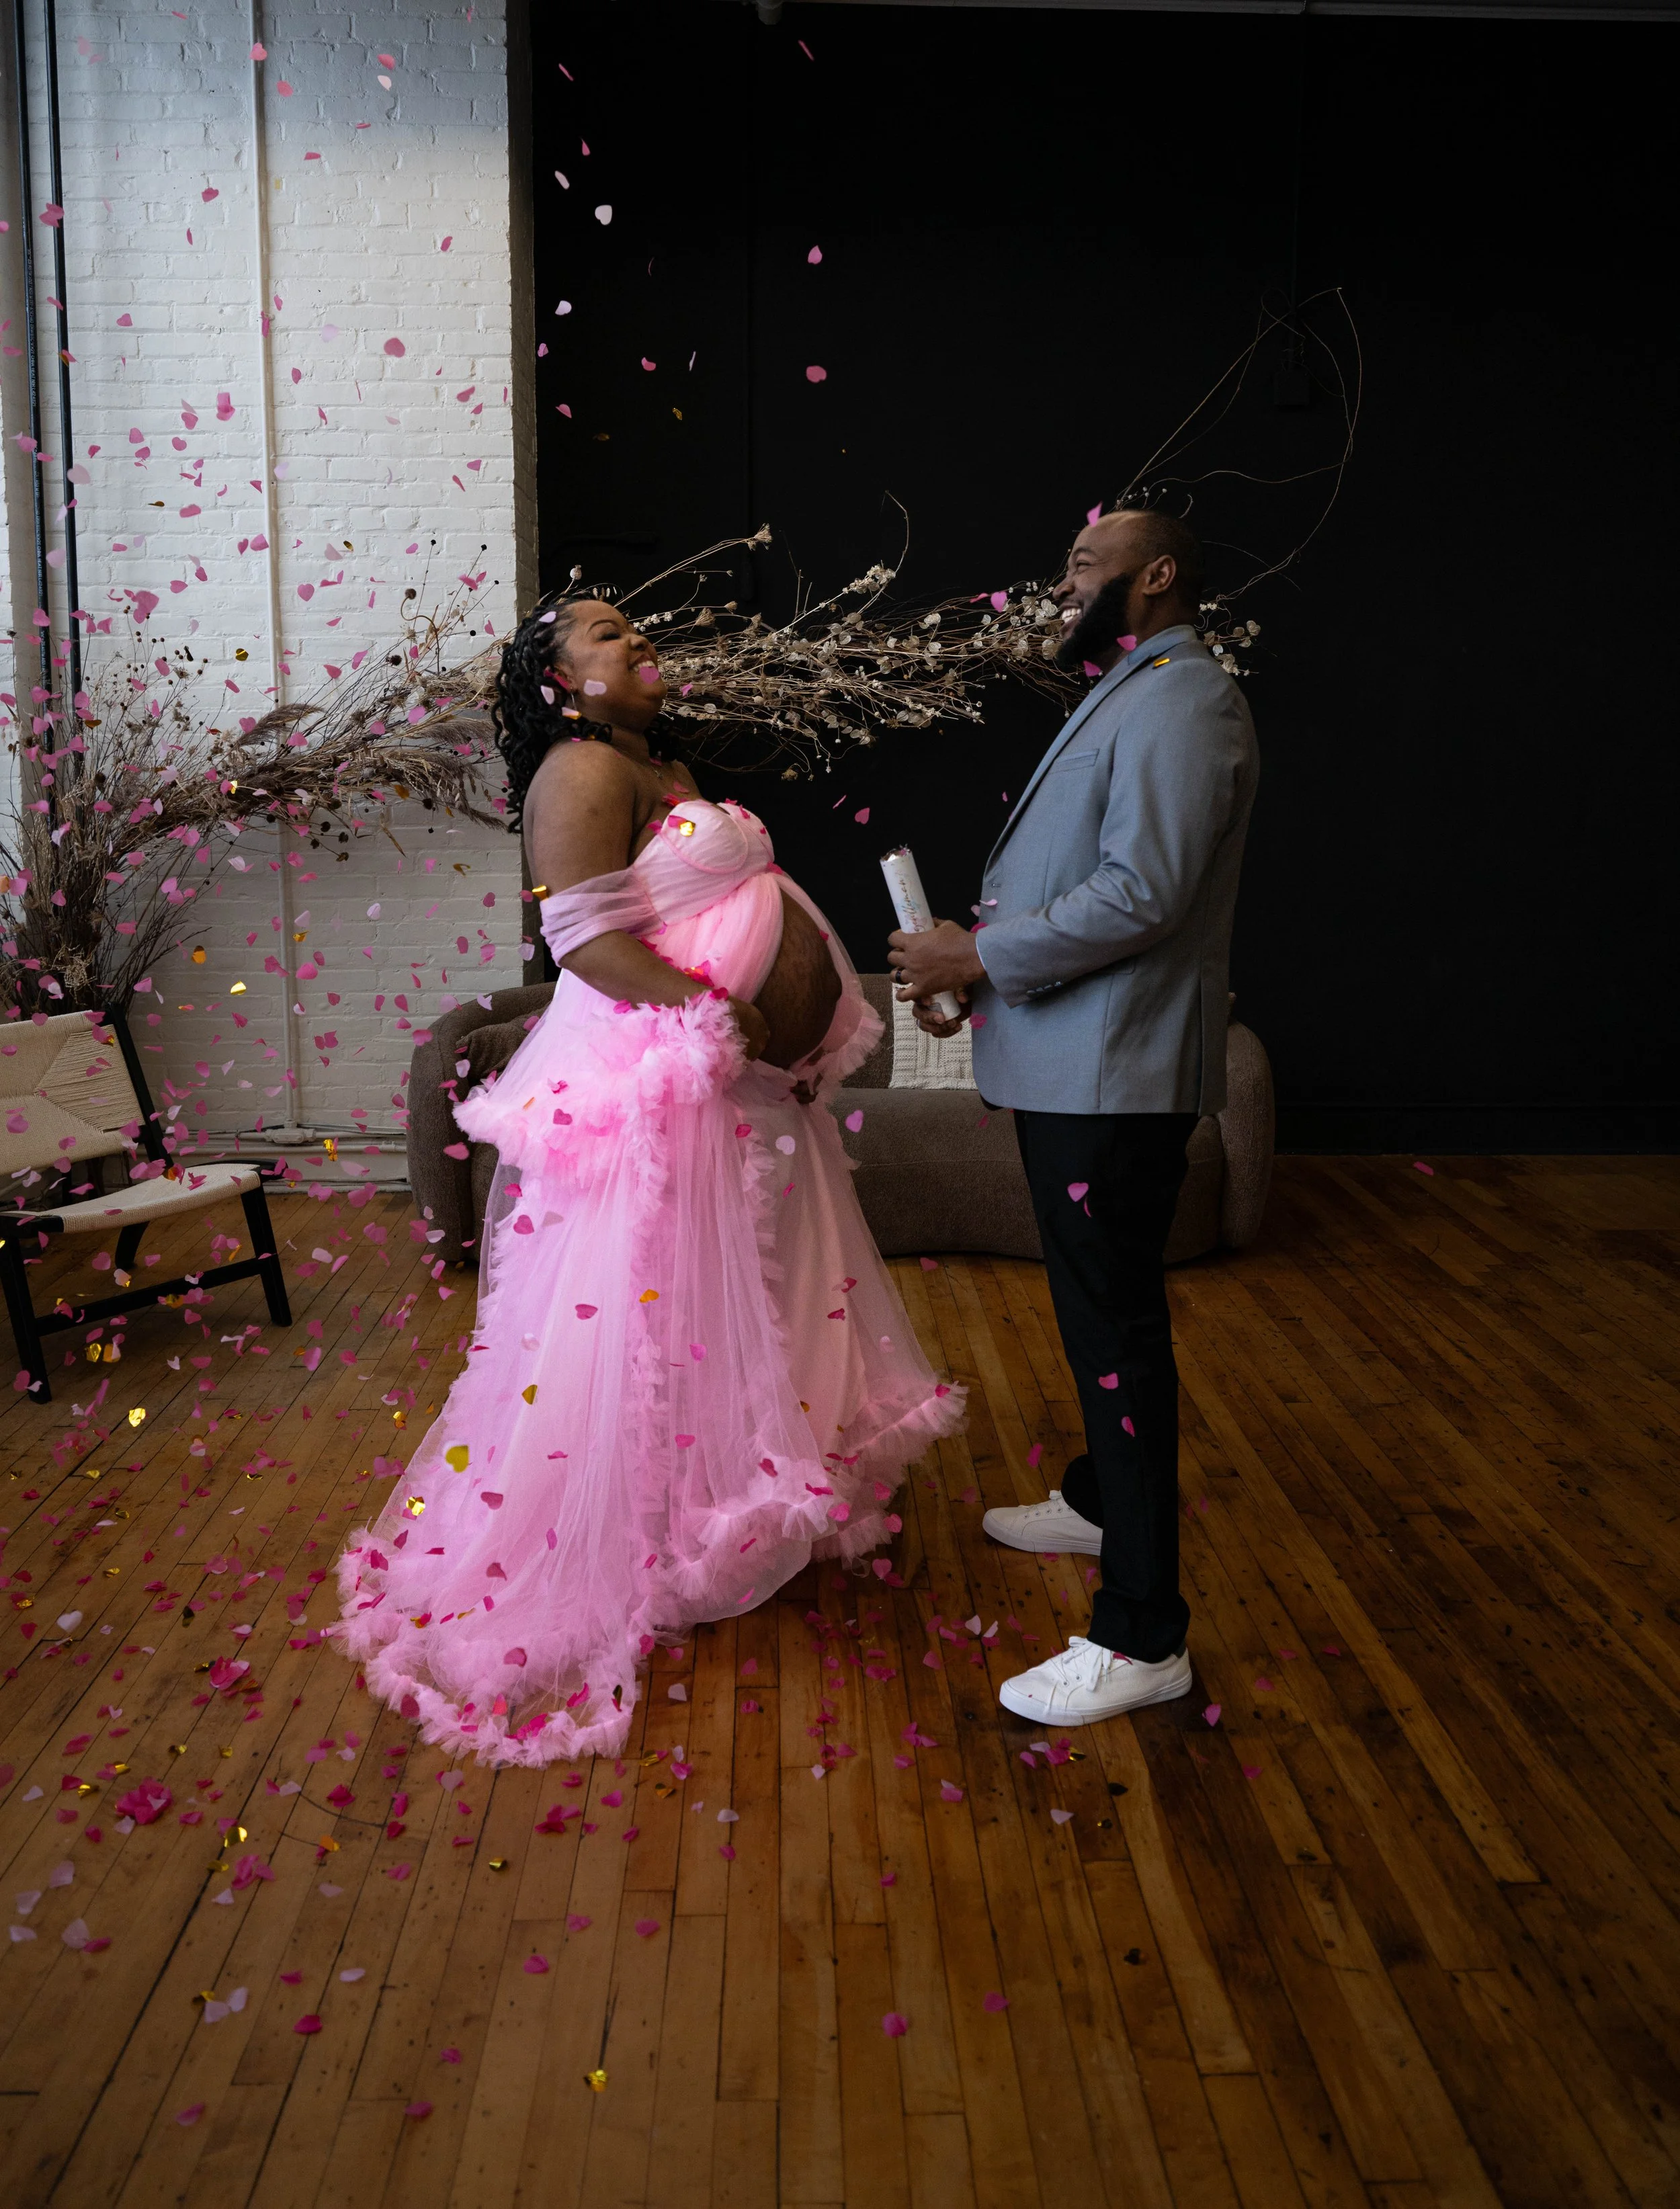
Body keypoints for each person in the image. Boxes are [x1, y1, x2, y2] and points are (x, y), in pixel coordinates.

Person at [338, 594, 964, 1765]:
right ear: (560, 682)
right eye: (605, 633)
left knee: (741, 1308)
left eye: (633, 625)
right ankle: (653, 1531)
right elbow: (581, 938)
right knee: (655, 1311)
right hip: (664, 1078)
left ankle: (731, 1502)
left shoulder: (659, 762)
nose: (635, 638)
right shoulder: (580, 769)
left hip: (738, 1091)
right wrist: (713, 1010)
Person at [888, 507, 1257, 1726]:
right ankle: (1102, 1504)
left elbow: (1144, 892)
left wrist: (979, 954)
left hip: (1116, 1078)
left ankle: (1145, 1635)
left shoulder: (1186, 697)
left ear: (1158, 574)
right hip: (1080, 1068)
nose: (1063, 585)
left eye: (1086, 566)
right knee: (1104, 1310)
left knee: (1116, 1329)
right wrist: (970, 967)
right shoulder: (1134, 685)